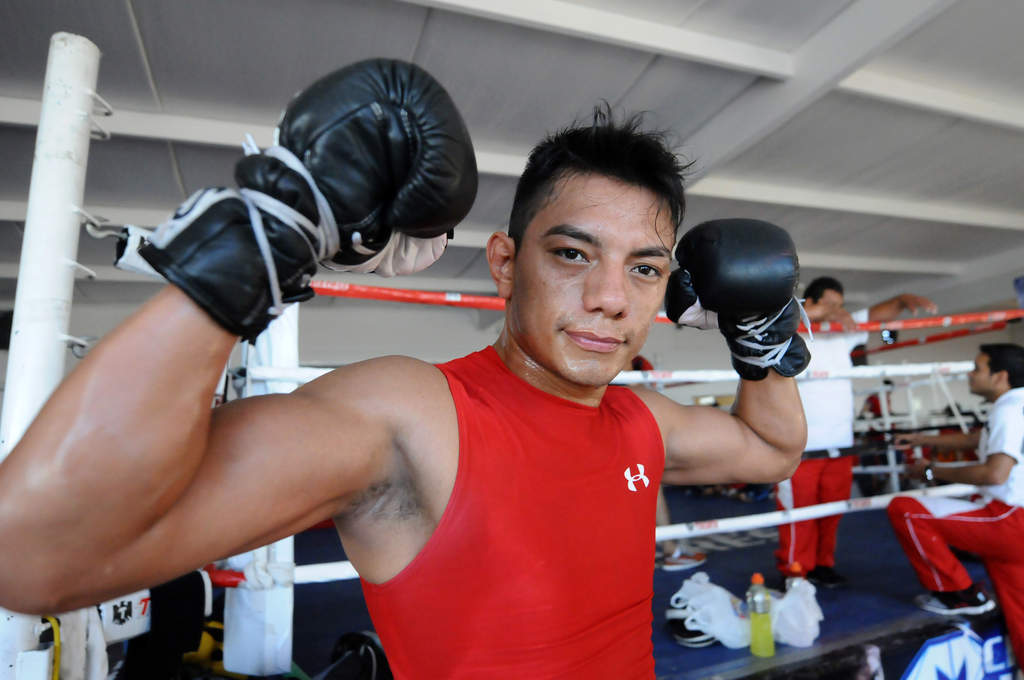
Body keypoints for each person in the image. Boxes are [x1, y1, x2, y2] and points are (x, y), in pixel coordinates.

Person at [0, 60, 809, 679]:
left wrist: (764, 337)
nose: (608, 299)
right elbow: (35, 557)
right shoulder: (413, 414)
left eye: (643, 269)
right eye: (571, 254)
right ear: (504, 263)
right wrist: (269, 230)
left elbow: (773, 450)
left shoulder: (642, 421)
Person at [775, 276, 936, 588]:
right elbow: (779, 319)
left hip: (841, 443)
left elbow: (876, 314)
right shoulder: (792, 328)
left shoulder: (843, 333)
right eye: (830, 304)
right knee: (798, 514)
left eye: (841, 305)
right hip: (801, 446)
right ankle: (794, 571)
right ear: (811, 303)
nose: (839, 311)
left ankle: (823, 564)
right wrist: (823, 314)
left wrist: (902, 299)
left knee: (832, 510)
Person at [887, 343, 1024, 660]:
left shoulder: (1007, 410)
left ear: (1001, 376)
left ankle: (957, 593)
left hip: (1008, 521)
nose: (970, 374)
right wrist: (923, 439)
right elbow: (978, 438)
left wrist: (933, 472)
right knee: (1019, 612)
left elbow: (995, 474)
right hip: (1014, 525)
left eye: (978, 368)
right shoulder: (1016, 405)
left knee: (906, 511)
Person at [630, 354, 708, 571]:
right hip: (612, 432)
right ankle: (669, 549)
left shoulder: (639, 363)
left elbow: (642, 392)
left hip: (628, 431)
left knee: (651, 489)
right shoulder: (602, 360)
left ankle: (669, 548)